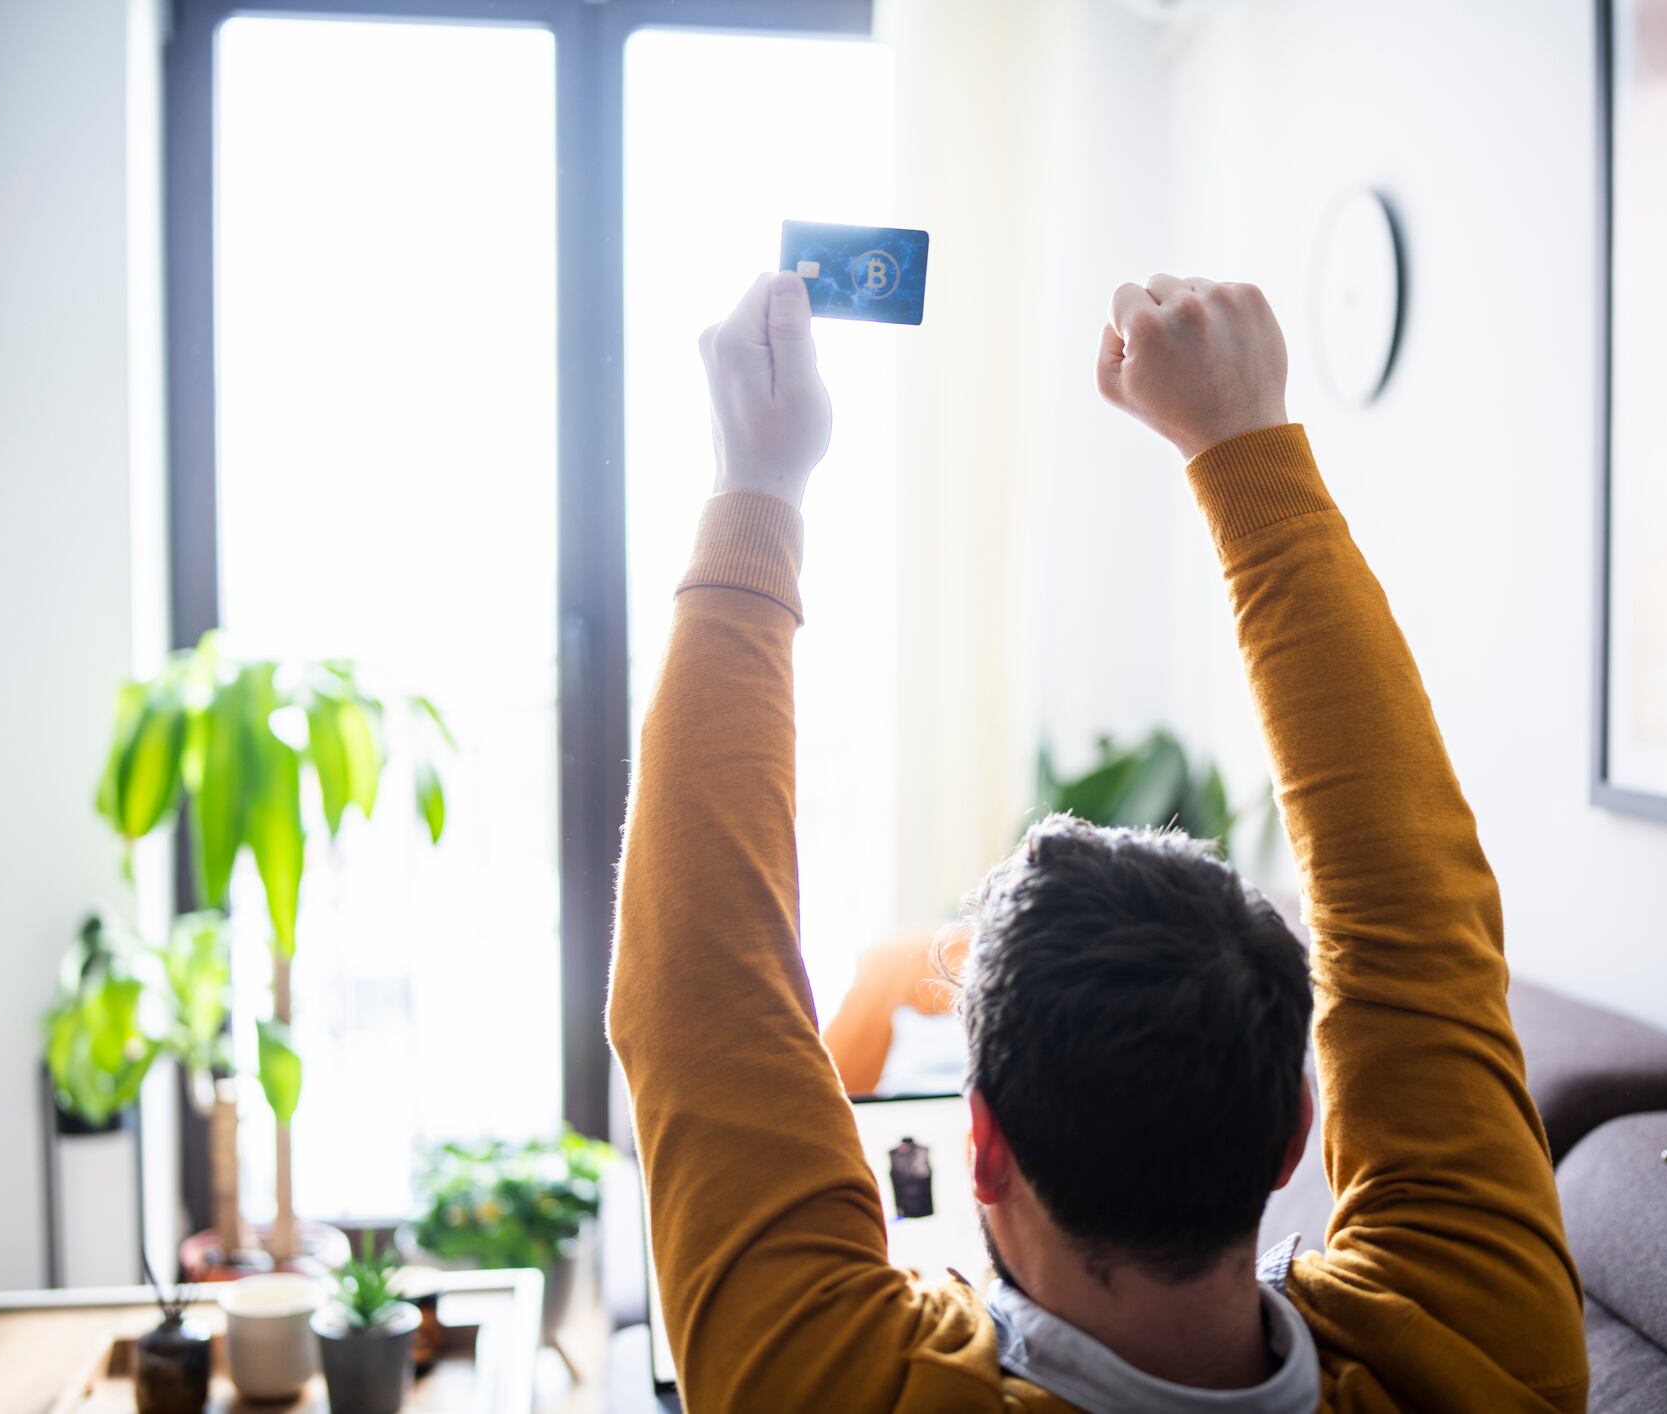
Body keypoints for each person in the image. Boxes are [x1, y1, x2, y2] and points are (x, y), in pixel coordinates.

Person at [608, 269, 1589, 1411]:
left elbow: (700, 996)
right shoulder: (1479, 1347)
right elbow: (1418, 913)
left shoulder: (856, 1386)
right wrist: (1246, 452)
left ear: (981, 1147)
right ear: (1294, 1141)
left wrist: (756, 482)